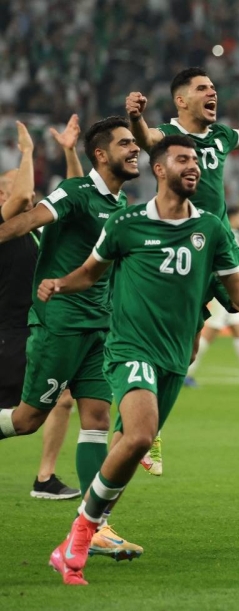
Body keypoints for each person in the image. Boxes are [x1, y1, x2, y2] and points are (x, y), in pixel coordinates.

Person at [43, 135, 239, 586]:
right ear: (159, 169)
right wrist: (59, 284)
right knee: (142, 434)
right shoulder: (126, 223)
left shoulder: (212, 228)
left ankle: (81, 534)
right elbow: (91, 272)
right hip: (130, 348)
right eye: (183, 159)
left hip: (172, 357)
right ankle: (81, 536)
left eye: (196, 161)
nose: (194, 167)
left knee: (132, 447)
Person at [125, 67, 239, 431]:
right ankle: (147, 430)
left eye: (213, 87)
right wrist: (135, 117)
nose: (213, 93)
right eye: (202, 88)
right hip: (182, 247)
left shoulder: (221, 135)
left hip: (221, 243)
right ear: (181, 100)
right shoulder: (170, 137)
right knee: (186, 350)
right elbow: (146, 139)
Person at [0, 116, 146, 559]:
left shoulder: (116, 205)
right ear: (102, 154)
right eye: (125, 144)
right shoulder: (77, 193)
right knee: (27, 420)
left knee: (98, 419)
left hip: (99, 326)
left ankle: (95, 525)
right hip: (60, 322)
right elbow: (27, 220)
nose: (135, 148)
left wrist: (69, 151)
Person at [0, 118, 83, 500]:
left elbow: (77, 200)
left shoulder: (33, 229)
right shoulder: (6, 225)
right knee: (19, 417)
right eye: (13, 185)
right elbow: (18, 200)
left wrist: (69, 153)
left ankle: (45, 478)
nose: (26, 191)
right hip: (8, 335)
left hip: (31, 331)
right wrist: (28, 152)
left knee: (61, 398)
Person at [185, 206, 239, 389]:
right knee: (211, 331)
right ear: (233, 217)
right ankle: (185, 372)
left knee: (238, 331)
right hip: (226, 289)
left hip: (231, 289)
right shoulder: (229, 234)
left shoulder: (234, 234)